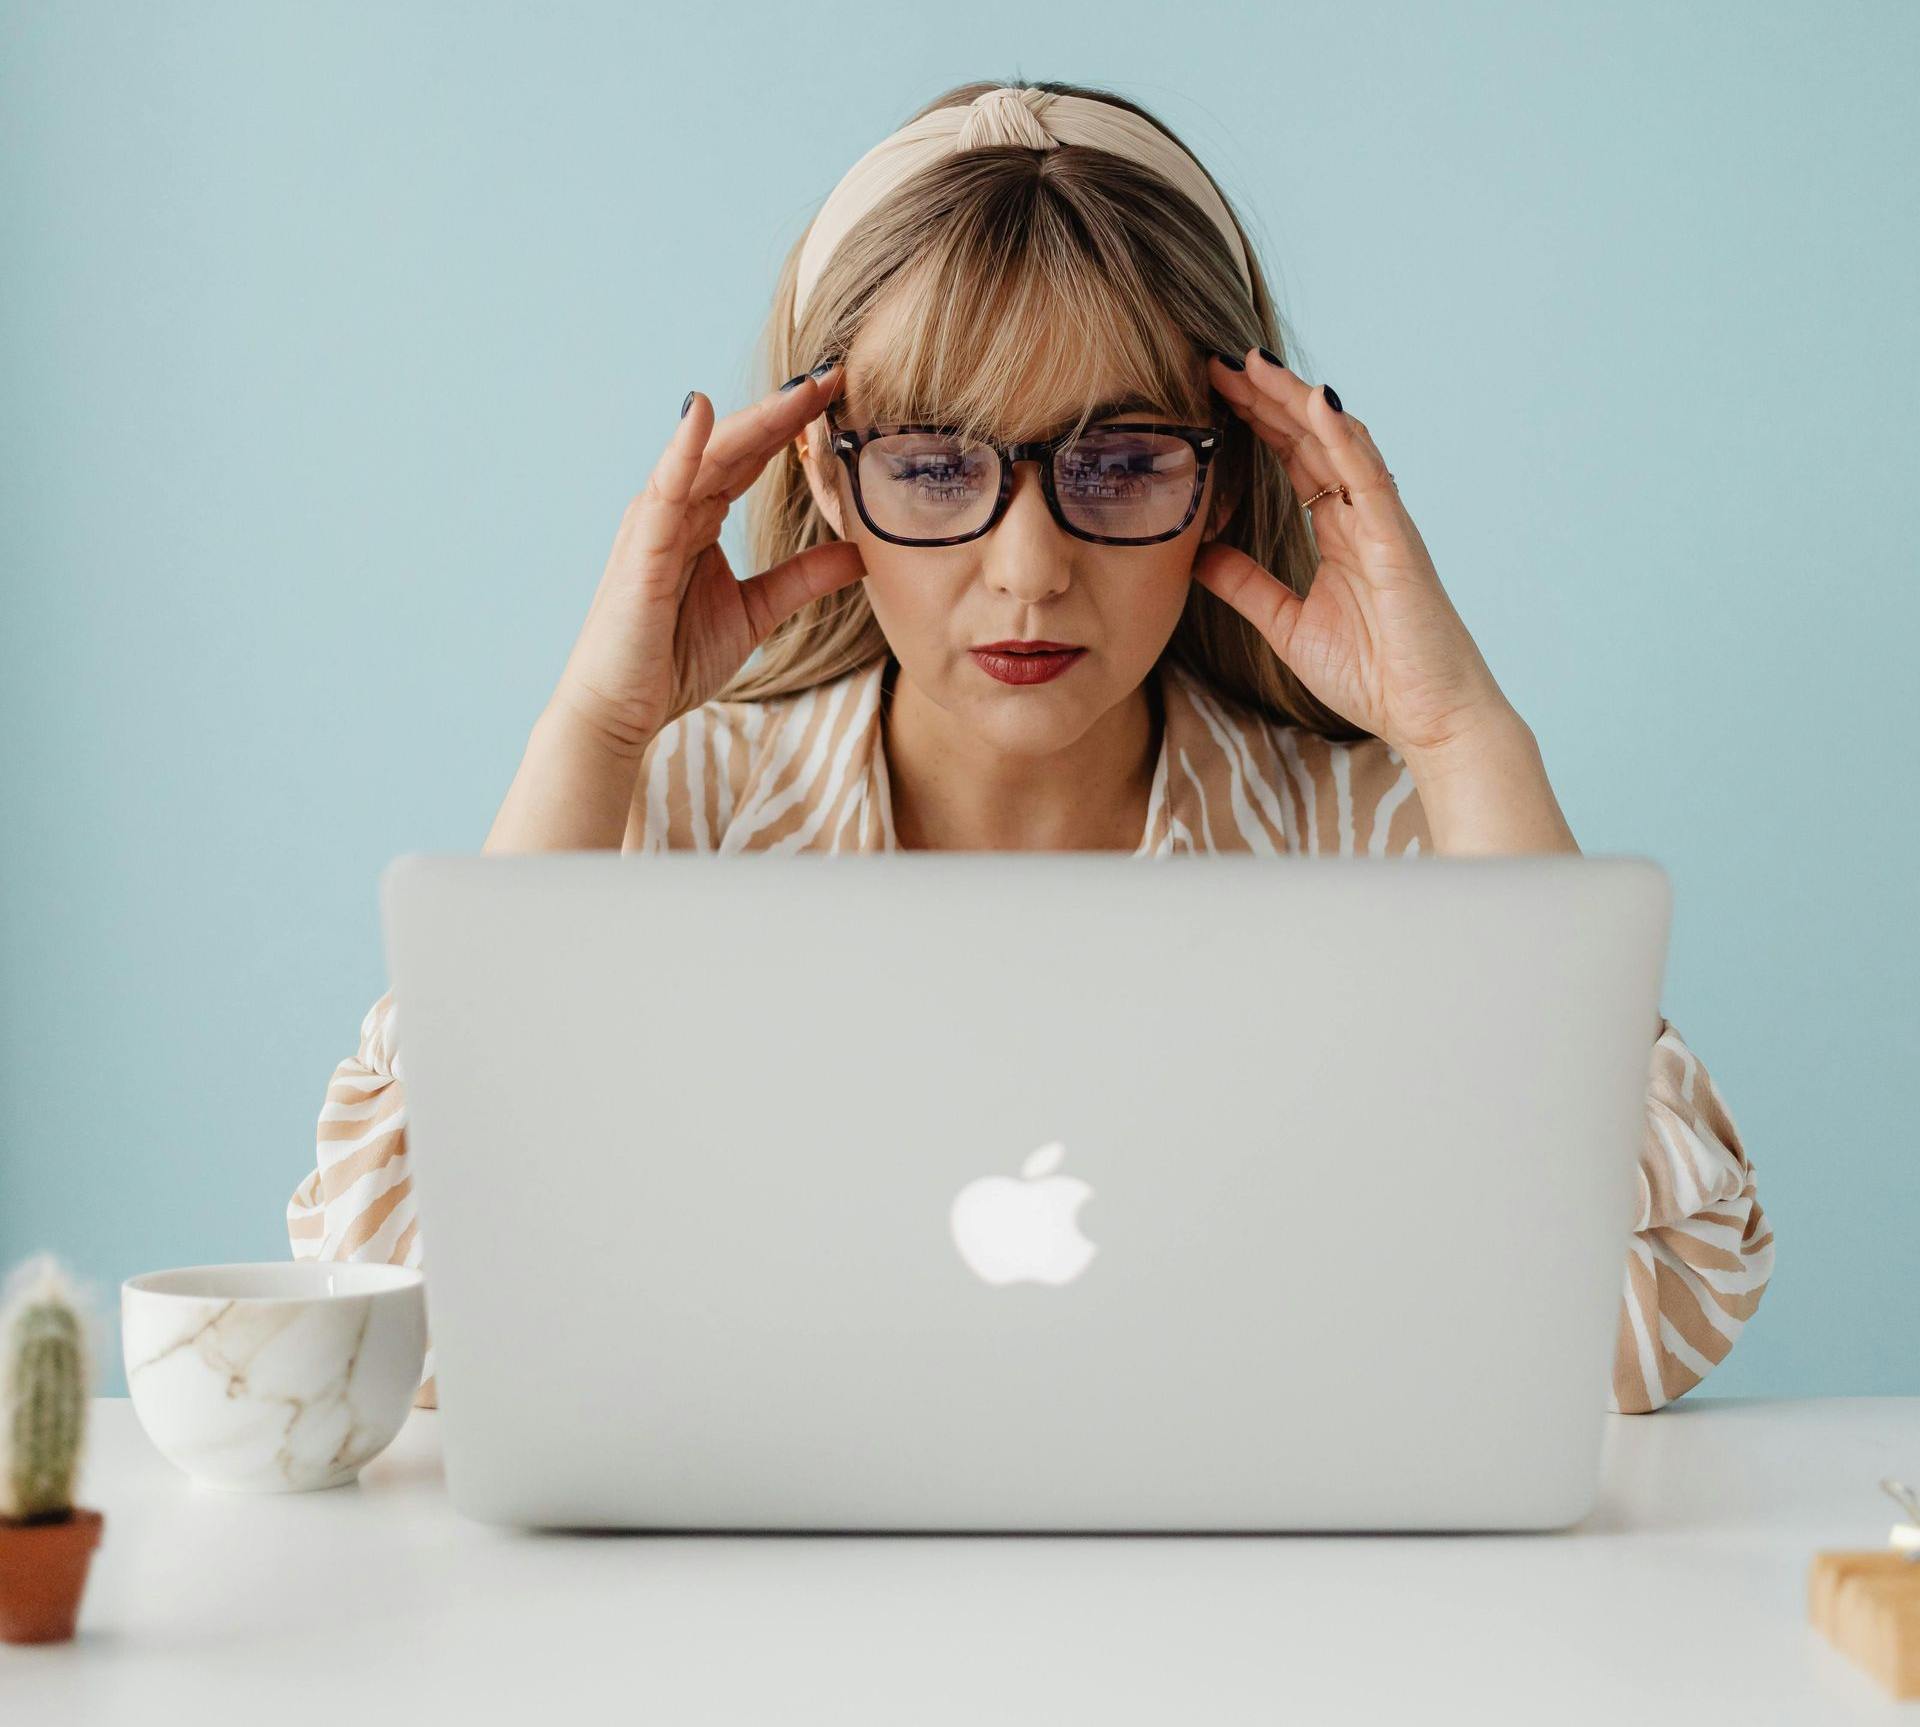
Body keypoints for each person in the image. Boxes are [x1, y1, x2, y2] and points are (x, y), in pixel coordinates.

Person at [288, 79, 1773, 1416]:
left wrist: (1460, 734)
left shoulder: (1378, 838)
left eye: (1119, 462)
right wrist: (594, 731)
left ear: (1225, 472)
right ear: (826, 465)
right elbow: (393, 1313)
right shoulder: (666, 824)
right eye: (936, 463)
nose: (1028, 571)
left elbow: (1661, 1308)